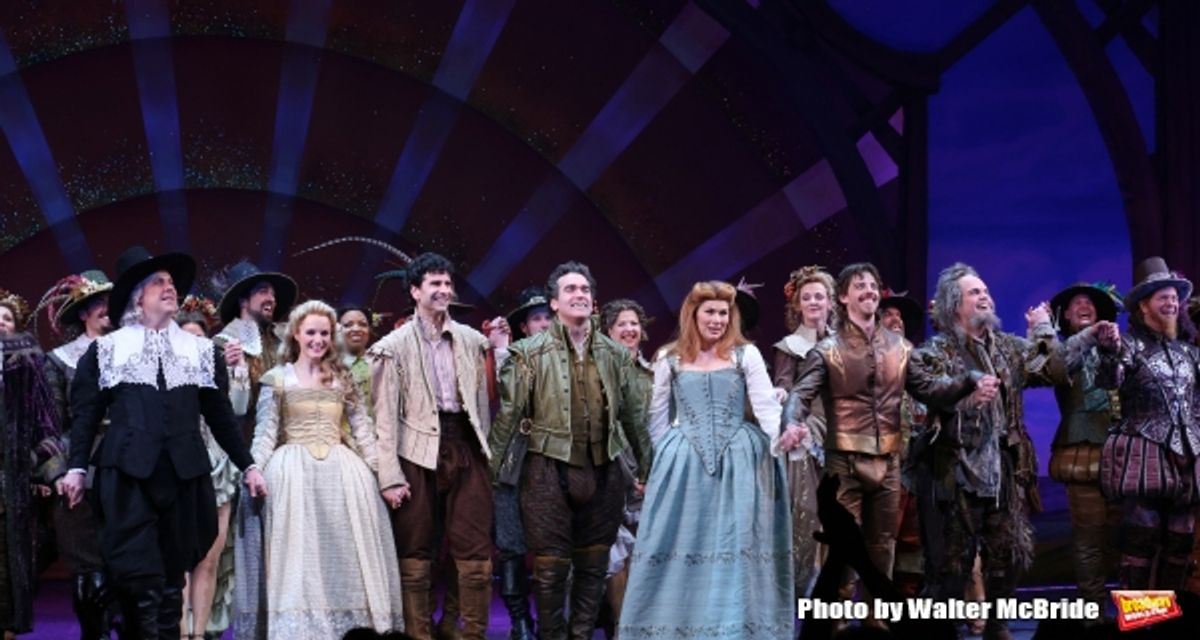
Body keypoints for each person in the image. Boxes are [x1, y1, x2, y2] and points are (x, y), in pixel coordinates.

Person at [60, 246, 267, 640]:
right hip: (127, 475)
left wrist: (249, 465)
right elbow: (85, 415)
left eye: (172, 282)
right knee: (140, 581)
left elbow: (220, 414)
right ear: (138, 297)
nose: (169, 287)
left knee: (173, 580)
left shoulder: (203, 352)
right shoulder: (107, 350)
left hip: (184, 474)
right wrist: (74, 468)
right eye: (158, 282)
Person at [784, 264, 983, 628]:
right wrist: (791, 424)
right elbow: (800, 394)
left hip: (890, 460)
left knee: (882, 547)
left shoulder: (901, 348)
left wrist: (968, 380)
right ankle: (837, 623)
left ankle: (878, 623)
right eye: (860, 286)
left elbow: (931, 390)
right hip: (844, 462)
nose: (869, 291)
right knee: (843, 549)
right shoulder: (827, 349)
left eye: (873, 286)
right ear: (843, 297)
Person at [617, 281, 792, 639]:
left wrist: (783, 436)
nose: (717, 320)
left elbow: (764, 407)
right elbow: (656, 417)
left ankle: (735, 627)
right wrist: (665, 456)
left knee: (735, 541)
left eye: (723, 313)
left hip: (741, 462)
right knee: (683, 541)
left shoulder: (746, 355)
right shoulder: (671, 357)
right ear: (693, 315)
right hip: (684, 463)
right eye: (709, 312)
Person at [489, 261, 652, 640]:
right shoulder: (527, 353)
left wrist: (648, 466)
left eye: (585, 289)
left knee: (594, 566)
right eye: (570, 290)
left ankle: (580, 635)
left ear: (593, 301)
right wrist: (493, 472)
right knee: (550, 569)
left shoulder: (614, 353)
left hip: (604, 468)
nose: (579, 295)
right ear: (555, 302)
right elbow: (509, 417)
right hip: (546, 468)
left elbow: (632, 416)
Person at [913, 262, 1062, 640]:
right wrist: (968, 388)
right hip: (954, 468)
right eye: (974, 292)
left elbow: (1054, 369)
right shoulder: (934, 353)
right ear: (953, 305)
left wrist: (1050, 330)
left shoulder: (1008, 348)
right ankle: (943, 630)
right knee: (951, 562)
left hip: (1001, 470)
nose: (985, 296)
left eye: (985, 290)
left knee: (1006, 554)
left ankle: (998, 625)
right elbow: (930, 390)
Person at [240, 300, 404, 638]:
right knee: (300, 561)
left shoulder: (342, 378)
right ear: (296, 334)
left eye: (325, 333)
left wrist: (385, 477)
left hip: (342, 475)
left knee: (343, 557)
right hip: (292, 476)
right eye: (311, 332)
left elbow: (363, 433)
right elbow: (266, 433)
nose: (318, 339)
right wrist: (253, 468)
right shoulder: (277, 379)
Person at [369, 253, 495, 640]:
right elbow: (384, 419)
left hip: (465, 444)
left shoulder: (473, 341)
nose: (443, 290)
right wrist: (389, 476)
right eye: (434, 284)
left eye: (446, 283)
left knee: (474, 551)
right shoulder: (392, 347)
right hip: (415, 449)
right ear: (414, 291)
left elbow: (484, 405)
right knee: (416, 550)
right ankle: (419, 634)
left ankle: (465, 632)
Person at [1095, 257, 1200, 590]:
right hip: (1144, 456)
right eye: (1162, 298)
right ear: (1144, 305)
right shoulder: (1129, 346)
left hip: (1188, 457)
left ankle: (1170, 618)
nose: (1170, 304)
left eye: (1173, 298)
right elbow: (1110, 381)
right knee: (1141, 539)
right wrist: (1109, 353)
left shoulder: (1188, 352)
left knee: (1181, 540)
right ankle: (1142, 622)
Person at [37, 271, 115, 640]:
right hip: (77, 472)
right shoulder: (58, 361)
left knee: (129, 566)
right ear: (83, 312)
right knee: (88, 566)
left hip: (127, 465)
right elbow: (48, 424)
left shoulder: (131, 352)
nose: (107, 310)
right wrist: (57, 474)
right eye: (98, 303)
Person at [1047, 282, 1122, 613]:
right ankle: (1092, 614)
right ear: (1065, 316)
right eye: (1076, 302)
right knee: (1090, 538)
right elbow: (1057, 368)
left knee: (1131, 540)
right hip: (1084, 452)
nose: (1084, 305)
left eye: (1090, 302)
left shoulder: (1121, 349)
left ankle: (1137, 615)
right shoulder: (1060, 352)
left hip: (1124, 453)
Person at [174, 295, 239, 640]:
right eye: (188, 338)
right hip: (181, 467)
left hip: (218, 465)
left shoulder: (218, 372)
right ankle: (181, 632)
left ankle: (200, 633)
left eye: (202, 339)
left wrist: (237, 370)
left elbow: (235, 411)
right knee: (181, 559)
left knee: (209, 560)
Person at [493, 286, 553, 640]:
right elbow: (506, 394)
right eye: (536, 318)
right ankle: (519, 621)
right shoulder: (512, 358)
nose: (543, 323)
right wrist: (501, 348)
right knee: (511, 542)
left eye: (548, 316)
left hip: (556, 458)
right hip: (515, 458)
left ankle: (551, 620)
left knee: (554, 546)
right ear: (525, 327)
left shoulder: (571, 357)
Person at [0, 289, 61, 639]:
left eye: (7, 319)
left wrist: (31, 463)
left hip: (13, 491)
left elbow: (50, 428)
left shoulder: (30, 370)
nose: (0, 325)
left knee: (10, 576)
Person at [772, 265, 836, 599]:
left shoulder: (844, 341)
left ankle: (834, 588)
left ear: (830, 302)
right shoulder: (790, 346)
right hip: (808, 428)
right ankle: (801, 585)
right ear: (798, 304)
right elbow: (784, 384)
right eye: (806, 297)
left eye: (819, 296)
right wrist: (783, 398)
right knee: (809, 509)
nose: (813, 302)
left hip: (843, 428)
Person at [597, 299, 653, 637]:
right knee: (614, 554)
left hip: (648, 475)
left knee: (645, 552)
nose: (630, 330)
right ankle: (622, 628)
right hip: (610, 472)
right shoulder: (597, 372)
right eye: (622, 325)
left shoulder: (654, 374)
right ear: (609, 331)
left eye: (634, 324)